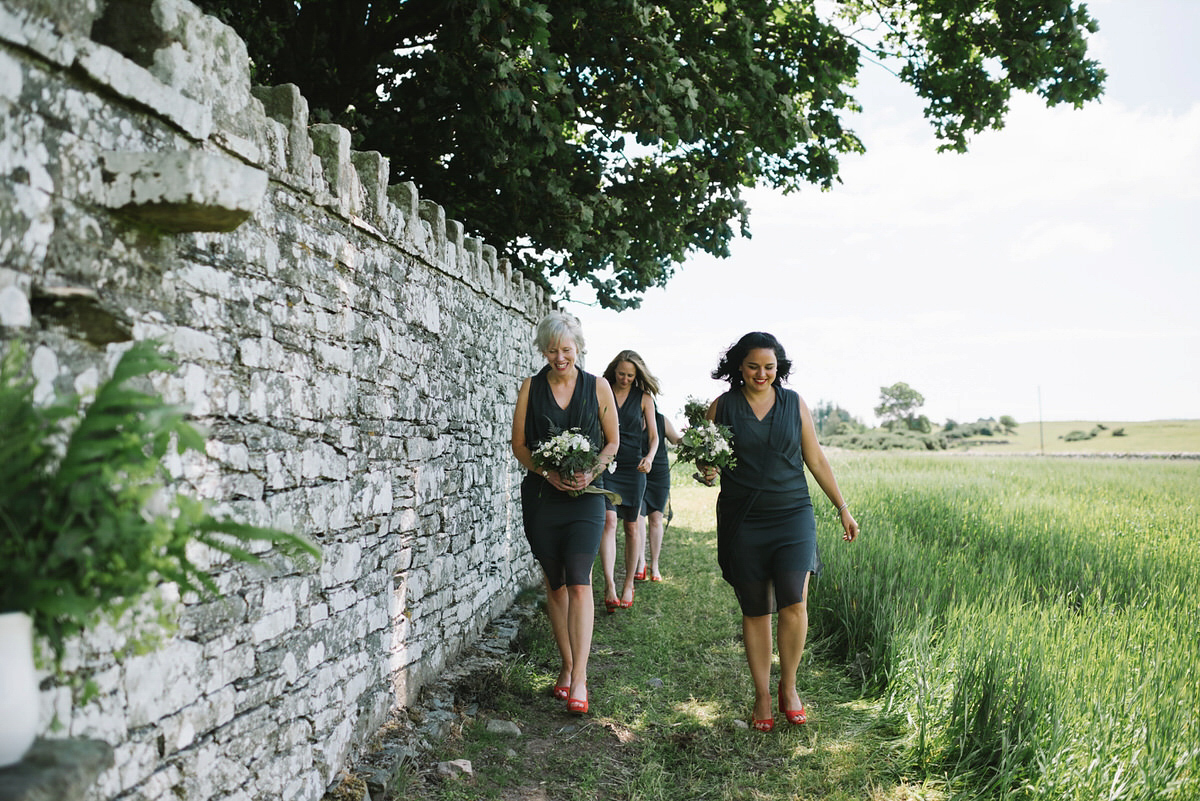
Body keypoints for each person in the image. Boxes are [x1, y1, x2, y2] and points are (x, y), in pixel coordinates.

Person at [698, 332, 859, 732]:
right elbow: (707, 462)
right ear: (739, 366)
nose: (762, 374)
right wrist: (707, 471)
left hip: (792, 515)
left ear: (778, 368)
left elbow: (816, 458)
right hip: (743, 518)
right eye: (754, 366)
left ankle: (788, 687)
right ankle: (762, 694)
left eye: (769, 367)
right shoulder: (720, 408)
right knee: (755, 609)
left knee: (793, 602)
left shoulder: (794, 403)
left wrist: (842, 507)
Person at [511, 311, 619, 715]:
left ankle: (580, 679)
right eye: (553, 350)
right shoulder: (530, 388)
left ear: (579, 349)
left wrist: (590, 470)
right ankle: (567, 664)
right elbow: (519, 445)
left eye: (567, 350)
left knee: (579, 581)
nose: (560, 357)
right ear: (543, 350)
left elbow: (612, 443)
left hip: (587, 498)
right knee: (554, 582)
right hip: (542, 498)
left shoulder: (598, 387)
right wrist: (546, 472)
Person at [599, 350, 659, 611]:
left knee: (632, 527)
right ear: (614, 371)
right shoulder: (601, 390)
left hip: (634, 468)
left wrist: (650, 457)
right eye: (621, 374)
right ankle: (610, 585)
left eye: (630, 375)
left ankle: (628, 585)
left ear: (637, 376)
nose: (624, 379)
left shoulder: (645, 399)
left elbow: (655, 437)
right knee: (609, 520)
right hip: (607, 464)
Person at [635, 405, 681, 581]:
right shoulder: (629, 417)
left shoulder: (661, 420)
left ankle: (655, 565)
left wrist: (694, 437)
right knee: (638, 517)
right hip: (638, 472)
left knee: (655, 520)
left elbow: (676, 439)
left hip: (659, 474)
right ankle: (641, 563)